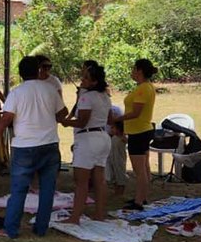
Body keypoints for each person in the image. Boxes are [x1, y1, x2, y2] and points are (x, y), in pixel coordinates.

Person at [0, 56, 68, 239]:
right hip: (50, 144)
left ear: (20, 74)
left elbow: (5, 120)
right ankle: (41, 228)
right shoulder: (51, 89)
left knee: (19, 190)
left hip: (25, 146)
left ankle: (11, 229)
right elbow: (63, 113)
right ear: (38, 71)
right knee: (47, 189)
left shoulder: (17, 93)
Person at [59, 63, 111, 222]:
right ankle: (99, 214)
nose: (82, 79)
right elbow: (109, 119)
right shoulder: (105, 96)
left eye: (86, 77)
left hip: (88, 140)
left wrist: (66, 122)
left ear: (94, 82)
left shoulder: (87, 97)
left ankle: (75, 217)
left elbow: (82, 122)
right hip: (103, 137)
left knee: (81, 182)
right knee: (99, 179)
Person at [121, 58, 157, 211]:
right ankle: (142, 197)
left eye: (134, 69)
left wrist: (117, 119)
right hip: (141, 130)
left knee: (139, 169)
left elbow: (135, 112)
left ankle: (139, 201)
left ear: (140, 71)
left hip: (139, 132)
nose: (132, 72)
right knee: (144, 168)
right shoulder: (144, 87)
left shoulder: (144, 88)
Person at [105, 105, 128, 197]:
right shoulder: (112, 138)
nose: (111, 129)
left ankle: (120, 192)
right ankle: (116, 190)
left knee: (120, 174)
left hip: (119, 160)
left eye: (113, 128)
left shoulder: (120, 138)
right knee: (113, 174)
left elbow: (125, 140)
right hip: (112, 159)